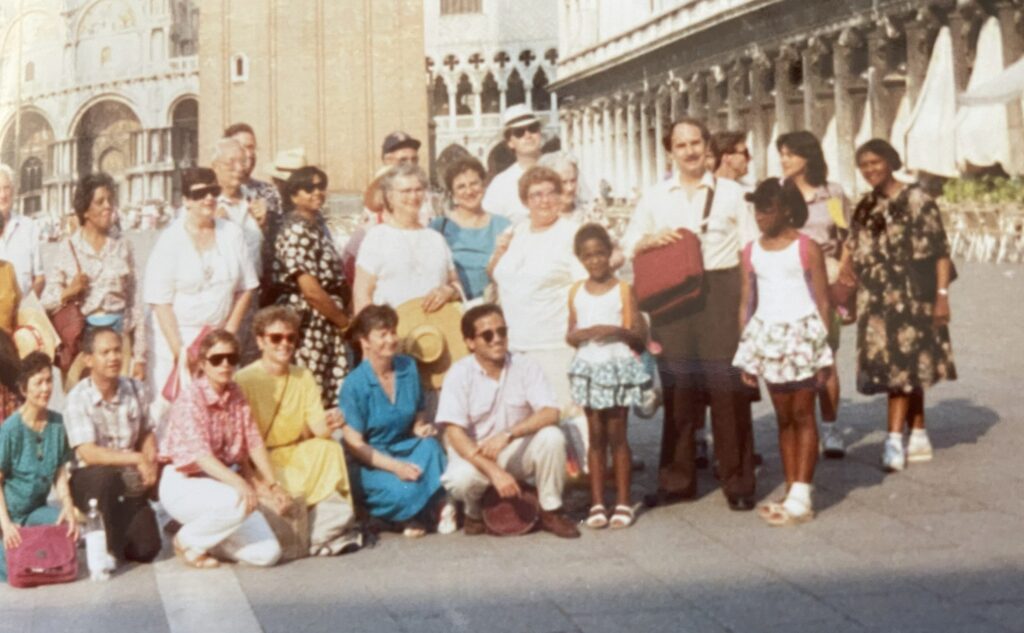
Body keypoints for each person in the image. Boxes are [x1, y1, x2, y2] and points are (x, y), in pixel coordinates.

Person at [622, 117, 759, 511]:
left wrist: (746, 308)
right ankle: (677, 479)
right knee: (679, 387)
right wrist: (648, 240)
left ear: (707, 146)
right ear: (670, 151)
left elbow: (747, 251)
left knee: (726, 388)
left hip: (719, 289)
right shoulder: (656, 196)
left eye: (696, 142)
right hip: (674, 299)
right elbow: (629, 242)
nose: (690, 151)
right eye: (681, 145)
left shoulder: (732, 193)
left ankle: (738, 481)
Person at [842, 139, 956, 472]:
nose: (869, 170)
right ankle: (918, 431)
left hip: (911, 295)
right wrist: (845, 273)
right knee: (905, 366)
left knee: (902, 368)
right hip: (876, 298)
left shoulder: (919, 200)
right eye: (863, 165)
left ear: (891, 162)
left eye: (875, 162)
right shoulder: (865, 205)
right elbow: (852, 243)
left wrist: (942, 297)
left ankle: (893, 440)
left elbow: (940, 252)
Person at [733, 179, 833, 525]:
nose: (760, 216)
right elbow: (746, 302)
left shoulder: (806, 248)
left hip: (803, 336)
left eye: (768, 209)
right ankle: (792, 486)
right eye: (757, 209)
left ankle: (803, 492)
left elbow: (823, 300)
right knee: (784, 416)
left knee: (803, 413)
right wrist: (746, 349)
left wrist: (825, 352)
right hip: (770, 337)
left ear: (787, 211)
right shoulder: (751, 251)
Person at [437, 304, 580, 539]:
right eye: (487, 335)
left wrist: (509, 434)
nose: (497, 340)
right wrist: (493, 471)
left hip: (512, 448)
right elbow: (455, 433)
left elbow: (550, 412)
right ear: (470, 342)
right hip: (476, 455)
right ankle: (473, 513)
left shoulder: (525, 365)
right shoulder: (459, 373)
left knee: (552, 436)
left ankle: (551, 510)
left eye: (502, 332)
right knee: (459, 479)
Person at [159, 330, 291, 568]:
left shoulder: (236, 394)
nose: (225, 365)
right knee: (237, 500)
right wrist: (240, 483)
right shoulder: (191, 398)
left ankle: (206, 541)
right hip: (183, 482)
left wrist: (272, 484)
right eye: (217, 359)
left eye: (231, 358)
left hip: (219, 486)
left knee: (267, 554)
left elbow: (253, 441)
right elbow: (202, 457)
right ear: (203, 364)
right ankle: (187, 540)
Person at [236, 306, 360, 556]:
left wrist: (331, 419)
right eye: (276, 338)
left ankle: (318, 529)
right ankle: (321, 533)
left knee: (329, 448)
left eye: (291, 338)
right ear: (260, 342)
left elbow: (317, 428)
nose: (285, 344)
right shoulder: (244, 380)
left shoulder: (303, 375)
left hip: (296, 453)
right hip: (263, 461)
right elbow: (241, 443)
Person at [144, 167, 258, 420]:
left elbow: (247, 288)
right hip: (176, 339)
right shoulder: (169, 241)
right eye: (200, 194)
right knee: (174, 414)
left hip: (218, 337)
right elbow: (160, 303)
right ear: (185, 200)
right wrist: (181, 354)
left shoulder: (232, 234)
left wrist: (227, 335)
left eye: (213, 191)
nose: (208, 198)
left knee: (216, 411)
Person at [338, 305, 448, 537]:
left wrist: (420, 426)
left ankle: (419, 509)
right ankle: (405, 513)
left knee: (431, 447)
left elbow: (418, 408)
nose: (391, 339)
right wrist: (396, 467)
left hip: (405, 447)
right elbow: (355, 445)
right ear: (365, 341)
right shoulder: (354, 384)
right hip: (374, 460)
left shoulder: (408, 367)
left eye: (393, 332)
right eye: (383, 334)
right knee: (403, 491)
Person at [567, 224, 649, 530]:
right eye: (588, 256)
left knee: (618, 434)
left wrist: (612, 331)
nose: (595, 261)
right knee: (596, 436)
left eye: (600, 254)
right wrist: (581, 335)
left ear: (610, 254)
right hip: (589, 365)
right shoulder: (576, 291)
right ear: (580, 258)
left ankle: (624, 501)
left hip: (615, 365)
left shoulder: (623, 289)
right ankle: (598, 501)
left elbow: (636, 332)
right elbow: (571, 332)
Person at [778, 130, 851, 459]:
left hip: (825, 277)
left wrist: (844, 268)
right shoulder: (780, 193)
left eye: (790, 154)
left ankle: (832, 426)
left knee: (826, 355)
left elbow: (847, 235)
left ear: (808, 157)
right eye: (782, 154)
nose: (784, 160)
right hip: (790, 280)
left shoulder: (831, 195)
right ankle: (800, 424)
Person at [490, 166, 586, 410]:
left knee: (565, 423)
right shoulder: (515, 232)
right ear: (525, 200)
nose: (544, 200)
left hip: (554, 347)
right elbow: (497, 275)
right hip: (513, 348)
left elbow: (583, 291)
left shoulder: (571, 234)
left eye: (551, 192)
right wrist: (499, 253)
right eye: (536, 195)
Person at [63, 327, 161, 563]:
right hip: (91, 479)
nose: (113, 358)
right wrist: (138, 459)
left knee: (147, 549)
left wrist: (150, 458)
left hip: (129, 480)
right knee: (104, 478)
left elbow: (147, 431)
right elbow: (89, 452)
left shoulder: (136, 389)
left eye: (117, 351)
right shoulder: (78, 397)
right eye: (105, 352)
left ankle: (111, 528)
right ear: (89, 359)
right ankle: (103, 536)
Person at [41, 172, 147, 384]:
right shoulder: (68, 247)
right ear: (85, 210)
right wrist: (69, 291)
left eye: (110, 200)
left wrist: (140, 358)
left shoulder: (123, 246)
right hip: (83, 347)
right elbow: (46, 302)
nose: (108, 206)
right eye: (100, 202)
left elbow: (135, 304)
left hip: (119, 345)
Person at [272, 166, 350, 407]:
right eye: (309, 188)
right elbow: (311, 290)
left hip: (325, 321)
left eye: (321, 186)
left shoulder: (316, 226)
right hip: (309, 323)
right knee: (312, 392)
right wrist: (344, 322)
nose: (317, 192)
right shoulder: (296, 229)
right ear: (294, 195)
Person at [0, 352, 78, 583]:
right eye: (38, 383)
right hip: (7, 513)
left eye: (48, 381)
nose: (45, 389)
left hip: (34, 511)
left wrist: (68, 505)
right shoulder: (10, 430)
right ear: (24, 390)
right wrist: (5, 524)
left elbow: (60, 471)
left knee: (66, 531)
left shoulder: (57, 423)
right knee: (13, 563)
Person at [353, 164, 460, 315]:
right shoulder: (377, 238)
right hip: (393, 333)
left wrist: (449, 291)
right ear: (390, 197)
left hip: (437, 332)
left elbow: (455, 283)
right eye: (405, 191)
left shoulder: (436, 239)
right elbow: (362, 296)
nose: (413, 196)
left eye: (418, 190)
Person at [430, 157, 511, 302]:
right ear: (452, 194)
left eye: (474, 183)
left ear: (483, 186)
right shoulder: (439, 227)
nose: (469, 191)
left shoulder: (503, 225)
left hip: (491, 305)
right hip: (452, 306)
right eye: (461, 187)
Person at [482, 105, 544, 224]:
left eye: (533, 128)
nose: (528, 135)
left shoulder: (561, 168)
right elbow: (489, 227)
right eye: (519, 132)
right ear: (510, 142)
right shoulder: (500, 184)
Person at [212, 137, 265, 277]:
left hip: (254, 289)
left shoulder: (252, 199)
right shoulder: (208, 204)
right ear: (215, 167)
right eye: (231, 162)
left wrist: (264, 224)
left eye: (242, 161)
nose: (240, 168)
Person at [0, 163, 44, 297]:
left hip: (22, 312)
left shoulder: (29, 227)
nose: (2, 195)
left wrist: (27, 308)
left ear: (13, 191)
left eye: (6, 188)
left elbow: (40, 278)